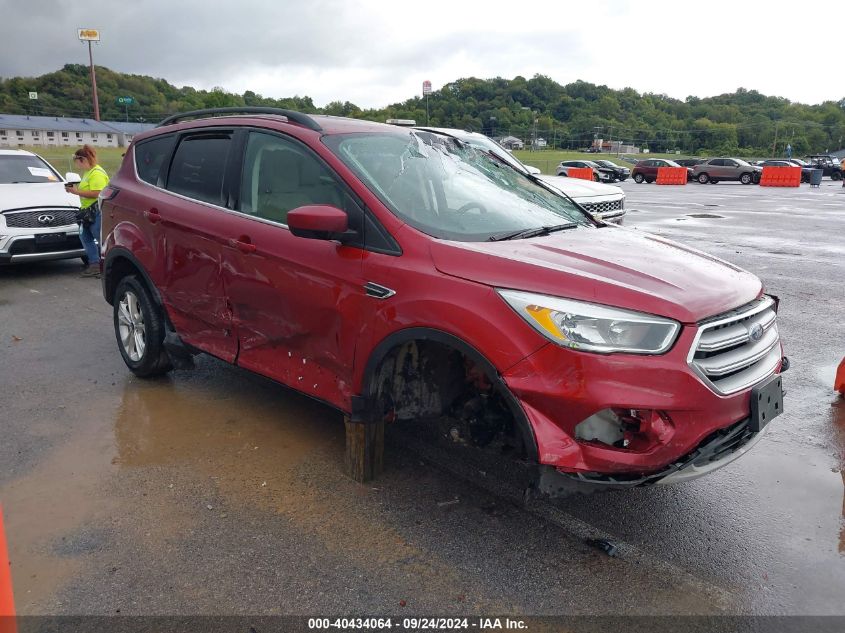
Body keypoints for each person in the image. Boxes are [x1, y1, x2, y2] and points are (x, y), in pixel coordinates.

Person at [65, 145, 109, 277]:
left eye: (77, 162)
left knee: (99, 238)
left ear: (82, 160)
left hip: (96, 211)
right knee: (85, 237)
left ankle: (106, 267)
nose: (76, 165)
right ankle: (95, 264)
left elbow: (97, 193)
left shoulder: (96, 173)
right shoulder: (89, 172)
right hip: (87, 212)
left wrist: (76, 191)